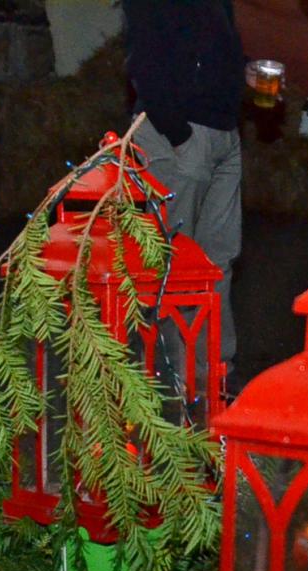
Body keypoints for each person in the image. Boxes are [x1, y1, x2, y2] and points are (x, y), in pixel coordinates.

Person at [125, 0, 244, 408]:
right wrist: (178, 134)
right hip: (180, 136)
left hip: (223, 133)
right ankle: (168, 385)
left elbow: (212, 52)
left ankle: (212, 378)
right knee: (170, 263)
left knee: (217, 260)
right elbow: (145, 61)